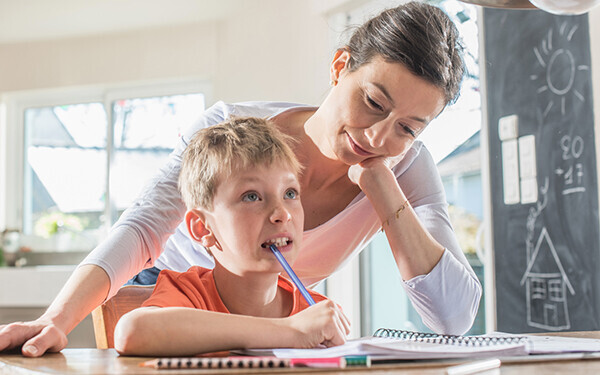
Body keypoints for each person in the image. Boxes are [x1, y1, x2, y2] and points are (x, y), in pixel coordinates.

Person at [0, 2, 481, 357]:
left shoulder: (407, 167)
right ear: (341, 67)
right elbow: (145, 226)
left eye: (408, 128)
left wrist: (384, 191)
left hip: (271, 309)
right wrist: (56, 319)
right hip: (178, 300)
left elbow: (453, 319)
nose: (377, 135)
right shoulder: (234, 127)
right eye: (373, 102)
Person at [114, 117, 350, 356]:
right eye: (251, 196)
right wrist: (289, 331)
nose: (282, 214)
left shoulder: (316, 312)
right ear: (202, 228)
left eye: (290, 193)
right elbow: (131, 332)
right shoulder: (188, 293)